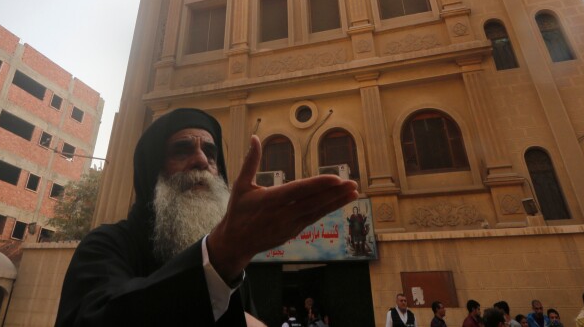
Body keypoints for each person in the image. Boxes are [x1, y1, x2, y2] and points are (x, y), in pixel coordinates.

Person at [55, 108, 357, 327]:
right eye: (182, 150)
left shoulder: (233, 272)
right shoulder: (107, 246)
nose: (201, 160)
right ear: (153, 172)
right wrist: (221, 255)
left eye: (211, 153)